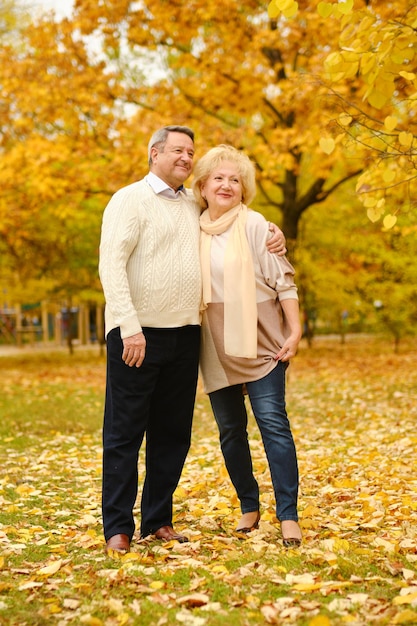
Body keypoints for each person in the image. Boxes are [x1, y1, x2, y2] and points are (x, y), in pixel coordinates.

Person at [98, 126, 286, 554]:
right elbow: (112, 264)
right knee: (125, 433)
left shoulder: (192, 204)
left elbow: (234, 219)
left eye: (190, 153)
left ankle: (158, 520)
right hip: (137, 335)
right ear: (154, 153)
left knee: (173, 434)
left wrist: (272, 232)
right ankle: (118, 528)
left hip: (186, 335)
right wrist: (129, 325)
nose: (186, 158)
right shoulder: (129, 199)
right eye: (178, 151)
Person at [192, 144, 303, 547]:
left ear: (244, 188)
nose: (226, 185)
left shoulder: (257, 226)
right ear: (202, 186)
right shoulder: (192, 226)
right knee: (230, 432)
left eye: (234, 179)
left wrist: (295, 331)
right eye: (218, 178)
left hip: (262, 340)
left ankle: (288, 514)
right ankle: (249, 505)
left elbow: (284, 283)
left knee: (274, 425)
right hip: (214, 343)